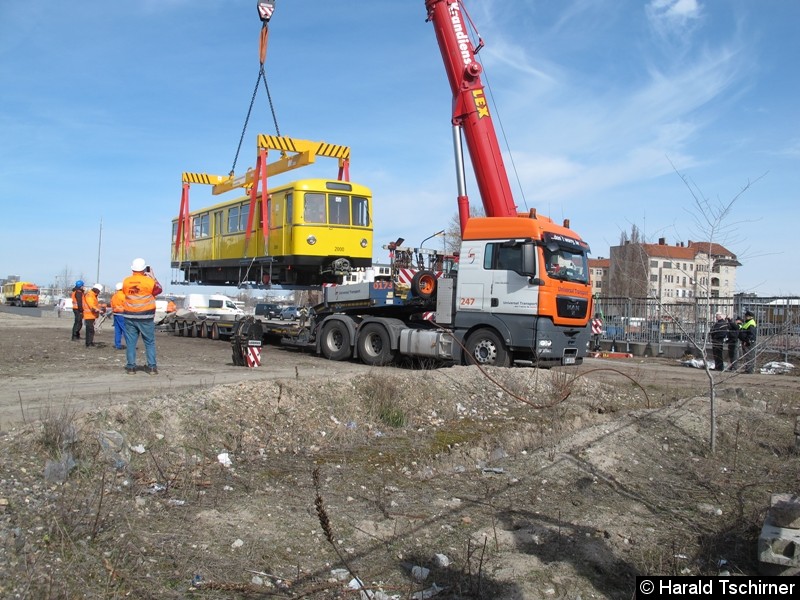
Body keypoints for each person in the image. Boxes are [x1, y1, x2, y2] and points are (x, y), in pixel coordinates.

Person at [122, 258, 162, 375]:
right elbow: (158, 290)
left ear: (132, 268)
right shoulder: (149, 281)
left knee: (130, 342)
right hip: (146, 316)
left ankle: (131, 367)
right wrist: (153, 277)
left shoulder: (126, 281)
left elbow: (126, 293)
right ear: (144, 268)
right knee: (149, 342)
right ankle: (152, 367)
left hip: (129, 315)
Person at [111, 282, 126, 350]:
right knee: (125, 330)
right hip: (122, 314)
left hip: (115, 314)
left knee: (118, 331)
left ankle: (117, 345)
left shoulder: (114, 296)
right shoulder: (124, 295)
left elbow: (112, 305)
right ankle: (130, 344)